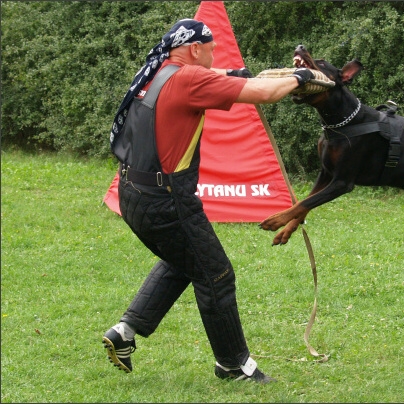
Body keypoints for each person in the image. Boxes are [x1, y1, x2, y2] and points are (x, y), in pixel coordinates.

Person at [102, 18, 314, 383]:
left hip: (133, 194)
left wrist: (232, 72)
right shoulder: (190, 79)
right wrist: (302, 78)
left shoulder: (157, 72)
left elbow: (205, 78)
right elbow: (263, 94)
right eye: (211, 49)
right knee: (216, 274)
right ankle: (234, 365)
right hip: (168, 201)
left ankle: (126, 330)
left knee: (185, 259)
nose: (215, 53)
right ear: (195, 49)